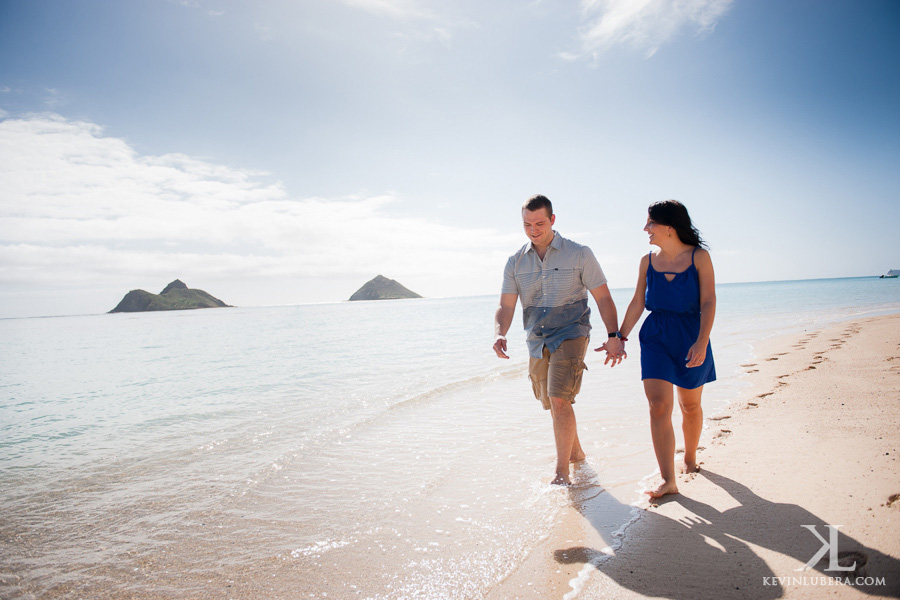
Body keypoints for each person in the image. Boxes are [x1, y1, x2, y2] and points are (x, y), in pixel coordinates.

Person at [493, 195, 624, 486]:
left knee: (559, 398)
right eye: (527, 224)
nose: (533, 229)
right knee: (553, 403)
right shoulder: (515, 262)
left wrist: (614, 335)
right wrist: (500, 333)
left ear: (553, 220)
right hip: (537, 338)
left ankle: (561, 473)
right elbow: (506, 305)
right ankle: (576, 454)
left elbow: (603, 297)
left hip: (572, 331)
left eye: (540, 223)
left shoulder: (579, 253)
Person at [600, 200, 716, 498]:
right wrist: (619, 337)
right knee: (658, 406)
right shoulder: (646, 261)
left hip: (691, 335)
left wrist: (702, 341)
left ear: (669, 227)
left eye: (650, 222)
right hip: (655, 336)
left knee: (689, 405)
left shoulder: (699, 258)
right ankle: (668, 480)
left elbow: (708, 301)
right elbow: (638, 302)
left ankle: (690, 458)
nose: (645, 228)